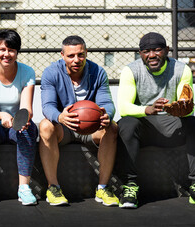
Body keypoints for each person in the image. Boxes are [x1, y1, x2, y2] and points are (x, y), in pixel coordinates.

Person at [117, 32, 195, 208]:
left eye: (157, 50)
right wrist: (148, 109)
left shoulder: (182, 69)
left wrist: (182, 108)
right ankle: (130, 185)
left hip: (171, 124)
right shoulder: (131, 70)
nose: (151, 55)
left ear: (166, 50)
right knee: (126, 123)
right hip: (144, 126)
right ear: (140, 53)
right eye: (146, 51)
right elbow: (123, 107)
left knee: (193, 123)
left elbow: (187, 105)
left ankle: (194, 183)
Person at [40, 35, 119, 207]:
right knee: (45, 126)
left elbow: (107, 103)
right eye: (71, 56)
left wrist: (108, 115)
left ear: (86, 53)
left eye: (81, 55)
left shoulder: (98, 72)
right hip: (65, 127)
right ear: (62, 55)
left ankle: (103, 187)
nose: (77, 59)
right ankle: (53, 187)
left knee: (112, 127)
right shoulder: (51, 72)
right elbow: (47, 106)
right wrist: (60, 117)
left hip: (91, 127)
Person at [0, 29, 38, 206]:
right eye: (2, 49)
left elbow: (27, 109)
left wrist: (21, 121)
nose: (7, 54)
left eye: (11, 50)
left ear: (17, 52)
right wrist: (2, 115)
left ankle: (24, 188)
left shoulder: (27, 72)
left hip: (15, 126)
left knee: (30, 129)